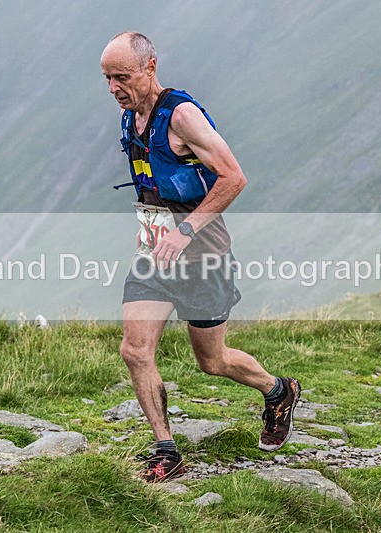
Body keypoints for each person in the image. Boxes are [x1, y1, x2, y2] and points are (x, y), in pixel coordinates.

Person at [100, 31, 300, 482]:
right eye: (108, 78)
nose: (114, 88)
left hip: (203, 256)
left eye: (122, 77)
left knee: (212, 361)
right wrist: (152, 229)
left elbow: (233, 177)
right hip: (155, 255)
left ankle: (277, 389)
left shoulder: (182, 116)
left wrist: (186, 230)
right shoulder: (131, 116)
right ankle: (165, 450)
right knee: (135, 350)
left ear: (150, 68)